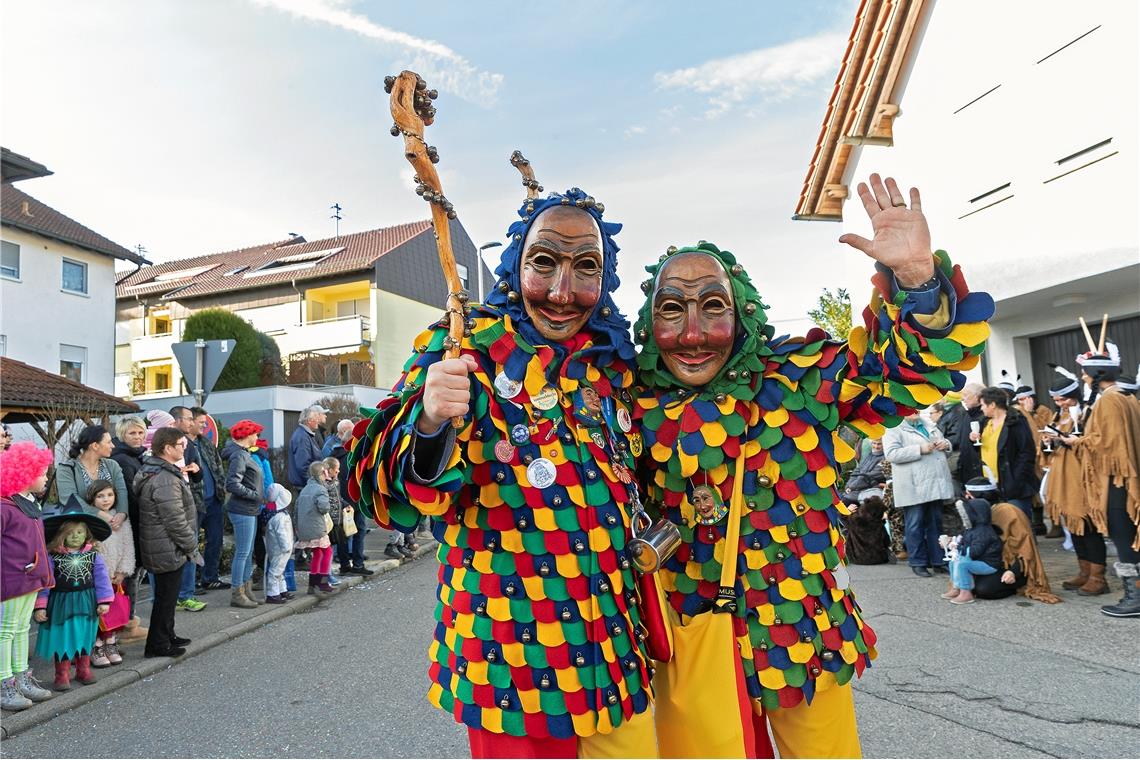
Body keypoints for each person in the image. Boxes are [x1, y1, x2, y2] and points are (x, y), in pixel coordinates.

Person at [630, 173, 993, 757]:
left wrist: (917, 278)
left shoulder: (803, 376)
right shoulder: (629, 400)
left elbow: (916, 371)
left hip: (804, 634)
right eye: (672, 310)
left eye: (713, 306)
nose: (692, 333)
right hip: (693, 638)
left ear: (743, 312)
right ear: (650, 325)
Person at [349, 186, 657, 757]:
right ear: (516, 265)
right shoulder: (466, 345)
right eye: (545, 263)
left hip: (613, 654)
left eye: (585, 268)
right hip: (511, 667)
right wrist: (430, 420)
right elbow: (376, 486)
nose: (563, 293)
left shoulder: (611, 368)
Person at [1059, 342, 1140, 618]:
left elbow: (1110, 445)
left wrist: (1077, 442)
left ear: (1097, 374)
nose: (1082, 377)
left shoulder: (1110, 400)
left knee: (1124, 538)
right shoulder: (1126, 396)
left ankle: (1135, 598)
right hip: (1125, 477)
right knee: (1128, 538)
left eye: (1084, 372)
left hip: (1117, 481)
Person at [34, 499, 114, 690]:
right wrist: (41, 605)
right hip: (61, 602)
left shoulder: (94, 556)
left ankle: (83, 669)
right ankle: (61, 674)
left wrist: (104, 601)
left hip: (86, 602)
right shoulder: (53, 557)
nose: (76, 537)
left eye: (80, 532)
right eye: (70, 533)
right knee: (62, 636)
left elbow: (102, 579)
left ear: (87, 534)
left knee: (85, 635)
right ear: (61, 535)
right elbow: (45, 582)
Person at [0, 443, 56, 710]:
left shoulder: (27, 503)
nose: (46, 477)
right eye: (42, 472)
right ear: (24, 473)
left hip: (29, 579)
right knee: (5, 631)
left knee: (22, 629)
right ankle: (4, 683)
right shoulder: (4, 507)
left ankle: (20, 677)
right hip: (10, 581)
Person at [134, 427, 198, 658]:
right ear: (167, 448)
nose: (185, 447)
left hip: (163, 543)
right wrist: (191, 546)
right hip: (166, 545)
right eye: (181, 444)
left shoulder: (160, 471)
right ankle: (158, 644)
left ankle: (167, 635)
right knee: (165, 597)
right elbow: (174, 519)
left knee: (168, 596)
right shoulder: (164, 478)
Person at [1040, 366, 1104, 593]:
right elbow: (1052, 445)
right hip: (1062, 477)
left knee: (1088, 526)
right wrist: (1048, 442)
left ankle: (1098, 577)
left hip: (1083, 479)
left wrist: (1067, 439)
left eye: (1063, 399)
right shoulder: (1059, 415)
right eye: (1056, 400)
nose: (1060, 404)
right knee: (1073, 527)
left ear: (1073, 395)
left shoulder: (1089, 412)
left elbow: (1093, 442)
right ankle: (1084, 571)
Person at [883, 412, 956, 577]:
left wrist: (946, 445)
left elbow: (945, 450)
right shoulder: (893, 428)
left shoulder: (929, 424)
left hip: (935, 482)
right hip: (914, 485)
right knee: (915, 524)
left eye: (916, 408)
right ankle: (918, 562)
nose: (915, 411)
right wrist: (919, 449)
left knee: (935, 524)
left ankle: (938, 560)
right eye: (909, 408)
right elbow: (892, 454)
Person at [85, 480, 135, 667]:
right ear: (92, 498)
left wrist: (123, 570)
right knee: (99, 611)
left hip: (115, 575)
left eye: (109, 495)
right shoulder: (90, 519)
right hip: (98, 576)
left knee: (114, 610)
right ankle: (97, 645)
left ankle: (110, 643)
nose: (106, 500)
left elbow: (128, 546)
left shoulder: (121, 518)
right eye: (100, 496)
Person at [969, 387, 1038, 520]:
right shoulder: (984, 422)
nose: (981, 408)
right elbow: (983, 449)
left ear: (993, 405)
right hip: (991, 485)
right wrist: (973, 440)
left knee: (1019, 525)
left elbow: (1027, 453)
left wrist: (1015, 480)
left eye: (983, 405)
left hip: (1013, 486)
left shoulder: (1015, 421)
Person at [222, 420, 265, 609]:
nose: (257, 437)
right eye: (255, 433)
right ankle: (237, 593)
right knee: (243, 553)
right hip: (242, 509)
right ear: (247, 435)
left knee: (247, 553)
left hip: (248, 509)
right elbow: (232, 483)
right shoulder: (239, 455)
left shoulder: (243, 454)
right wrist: (253, 495)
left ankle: (246, 590)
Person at [985, 500, 1061, 603]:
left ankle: (1014, 587)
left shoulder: (1013, 519)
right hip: (995, 565)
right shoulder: (987, 516)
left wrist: (1013, 571)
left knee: (985, 589)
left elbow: (1025, 553)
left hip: (1018, 569)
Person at [940, 489, 1004, 605]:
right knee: (953, 562)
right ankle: (956, 587)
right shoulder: (971, 529)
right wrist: (954, 544)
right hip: (978, 560)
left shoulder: (983, 531)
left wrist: (958, 548)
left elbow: (975, 552)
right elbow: (963, 542)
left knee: (963, 565)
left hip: (989, 563)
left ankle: (966, 592)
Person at [190, 407, 228, 590]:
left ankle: (210, 577)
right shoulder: (181, 445)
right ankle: (191, 582)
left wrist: (221, 490)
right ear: (190, 421)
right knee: (191, 543)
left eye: (206, 423)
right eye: (201, 423)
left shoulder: (205, 443)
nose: (204, 427)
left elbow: (218, 467)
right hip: (194, 502)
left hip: (213, 500)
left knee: (215, 540)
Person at [55, 425, 128, 521]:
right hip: (80, 527)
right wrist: (99, 514)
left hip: (113, 525)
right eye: (109, 442)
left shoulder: (112, 465)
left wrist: (122, 513)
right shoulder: (66, 469)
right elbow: (70, 499)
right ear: (95, 446)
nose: (113, 445)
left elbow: (121, 491)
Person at [328, 419, 372, 576]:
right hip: (356, 500)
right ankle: (358, 564)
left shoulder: (333, 458)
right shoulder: (354, 458)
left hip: (341, 501)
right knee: (359, 532)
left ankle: (345, 565)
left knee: (343, 535)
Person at [295, 461, 336, 597]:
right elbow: (324, 508)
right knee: (328, 552)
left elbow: (296, 509)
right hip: (317, 527)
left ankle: (312, 584)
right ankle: (323, 582)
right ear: (322, 473)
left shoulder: (305, 489)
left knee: (317, 553)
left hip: (305, 528)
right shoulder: (321, 489)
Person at [262, 483, 295, 605]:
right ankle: (272, 593)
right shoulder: (280, 518)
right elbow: (282, 534)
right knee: (275, 571)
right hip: (281, 549)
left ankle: (282, 590)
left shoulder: (273, 514)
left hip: (277, 548)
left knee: (279, 570)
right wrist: (287, 547)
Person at [288, 405, 328, 490]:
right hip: (305, 486)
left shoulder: (306, 435)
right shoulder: (302, 437)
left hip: (307, 484)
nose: (318, 421)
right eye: (316, 418)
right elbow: (303, 466)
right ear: (309, 421)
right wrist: (314, 484)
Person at [840, 438, 886, 504]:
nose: (876, 446)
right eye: (874, 443)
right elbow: (856, 471)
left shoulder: (884, 458)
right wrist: (848, 485)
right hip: (856, 487)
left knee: (844, 502)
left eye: (879, 444)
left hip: (869, 489)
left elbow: (869, 476)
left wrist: (851, 487)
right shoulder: (870, 455)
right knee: (839, 499)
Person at [321, 456, 344, 586]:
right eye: (336, 470)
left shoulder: (335, 482)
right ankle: (326, 574)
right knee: (326, 550)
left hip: (336, 521)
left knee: (330, 549)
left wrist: (345, 504)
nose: (338, 472)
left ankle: (328, 573)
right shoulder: (324, 484)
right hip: (327, 521)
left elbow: (338, 498)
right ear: (329, 470)